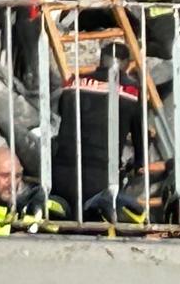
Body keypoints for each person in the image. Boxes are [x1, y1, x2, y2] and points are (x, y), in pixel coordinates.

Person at [50, 41, 149, 220]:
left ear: (100, 60)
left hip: (61, 171)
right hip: (100, 177)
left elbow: (62, 113)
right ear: (126, 64)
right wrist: (139, 163)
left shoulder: (73, 83)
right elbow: (140, 137)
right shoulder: (132, 91)